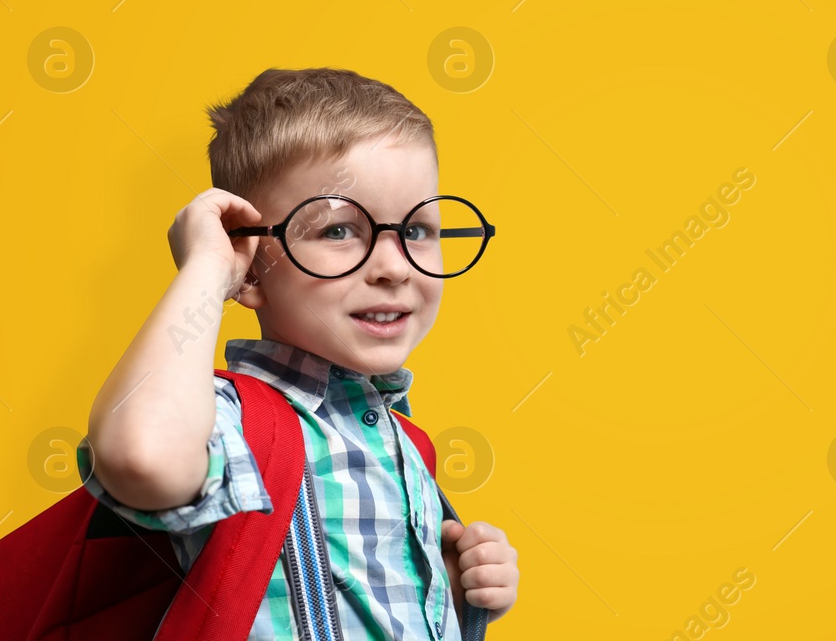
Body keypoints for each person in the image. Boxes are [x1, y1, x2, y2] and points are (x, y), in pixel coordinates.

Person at [75, 67, 519, 639]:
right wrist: (207, 271)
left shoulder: (406, 444)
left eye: (415, 231)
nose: (393, 267)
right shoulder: (226, 422)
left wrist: (451, 598)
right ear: (251, 267)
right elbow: (143, 457)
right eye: (338, 231)